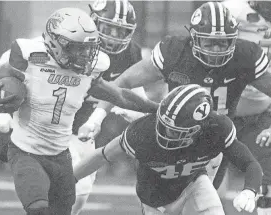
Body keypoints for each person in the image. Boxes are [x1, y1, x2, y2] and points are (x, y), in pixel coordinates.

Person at [0, 8, 158, 215]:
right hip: (28, 148)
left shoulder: (92, 67)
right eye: (78, 49)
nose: (85, 55)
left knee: (72, 204)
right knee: (39, 208)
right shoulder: (32, 55)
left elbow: (121, 95)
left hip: (64, 147)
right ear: (56, 43)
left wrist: (158, 109)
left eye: (88, 49)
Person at [78, 1, 271, 189]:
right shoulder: (175, 51)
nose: (216, 50)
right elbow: (123, 82)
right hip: (169, 137)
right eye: (209, 42)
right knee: (156, 200)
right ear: (194, 37)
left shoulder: (246, 54)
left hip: (214, 139)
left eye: (223, 43)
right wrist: (96, 118)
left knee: (204, 200)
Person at [74, 84, 263, 215]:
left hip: (193, 183)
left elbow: (250, 163)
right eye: (165, 125)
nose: (165, 133)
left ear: (198, 130)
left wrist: (250, 190)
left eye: (175, 131)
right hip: (154, 197)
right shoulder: (144, 132)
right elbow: (103, 155)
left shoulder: (216, 129)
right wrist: (70, 178)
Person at [71, 1, 168, 214]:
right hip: (57, 120)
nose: (115, 36)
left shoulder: (130, 51)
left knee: (80, 192)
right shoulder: (73, 43)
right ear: (94, 21)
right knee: (66, 188)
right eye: (110, 28)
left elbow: (131, 93)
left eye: (121, 31)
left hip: (83, 128)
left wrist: (156, 114)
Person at [220, 1, 271, 215]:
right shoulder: (231, 9)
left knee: (266, 179)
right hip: (221, 109)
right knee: (204, 179)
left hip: (261, 108)